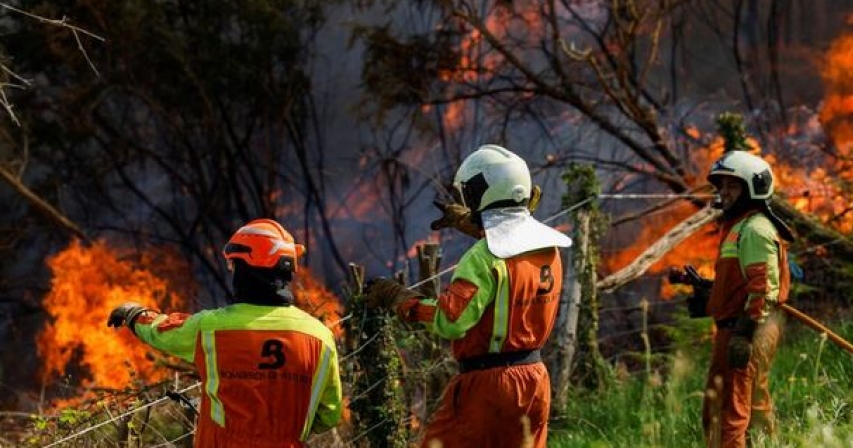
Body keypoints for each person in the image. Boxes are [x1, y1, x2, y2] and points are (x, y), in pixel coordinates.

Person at [365, 144, 572, 448]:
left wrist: (400, 299)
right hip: (536, 380)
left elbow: (451, 321)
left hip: (488, 386)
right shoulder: (547, 248)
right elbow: (510, 251)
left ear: (478, 193)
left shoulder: (481, 258)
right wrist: (470, 222)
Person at [107, 219, 342, 448]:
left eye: (234, 265)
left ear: (246, 270)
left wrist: (134, 313)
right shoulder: (320, 337)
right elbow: (329, 415)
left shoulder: (212, 327)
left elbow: (161, 331)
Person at [684, 150, 793, 448]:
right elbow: (743, 282)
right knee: (753, 406)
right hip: (744, 326)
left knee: (726, 412)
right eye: (721, 186)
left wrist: (743, 335)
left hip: (746, 329)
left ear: (752, 187)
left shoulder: (754, 229)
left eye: (732, 186)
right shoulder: (739, 227)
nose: (724, 192)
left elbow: (763, 289)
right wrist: (712, 291)